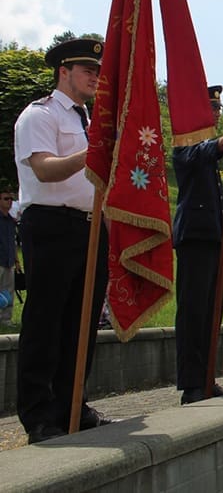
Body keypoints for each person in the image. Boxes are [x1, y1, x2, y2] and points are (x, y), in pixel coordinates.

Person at [13, 38, 112, 443]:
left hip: (90, 227)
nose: (94, 77)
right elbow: (45, 170)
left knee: (82, 322)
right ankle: (38, 415)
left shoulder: (88, 121)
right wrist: (94, 153)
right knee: (45, 322)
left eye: (98, 72)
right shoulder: (40, 115)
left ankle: (74, 403)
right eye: (87, 69)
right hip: (52, 224)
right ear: (64, 71)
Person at [172, 85, 223, 405]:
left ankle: (206, 376)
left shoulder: (211, 155)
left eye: (217, 110)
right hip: (195, 239)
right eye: (211, 110)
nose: (215, 114)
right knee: (193, 311)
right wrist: (222, 142)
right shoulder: (186, 144)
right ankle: (191, 384)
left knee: (210, 313)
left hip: (214, 239)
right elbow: (191, 157)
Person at [0, 184, 19, 327]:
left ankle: (6, 319)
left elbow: (13, 241)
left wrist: (17, 260)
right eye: (6, 199)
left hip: (9, 260)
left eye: (11, 199)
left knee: (9, 291)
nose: (9, 201)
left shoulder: (11, 220)